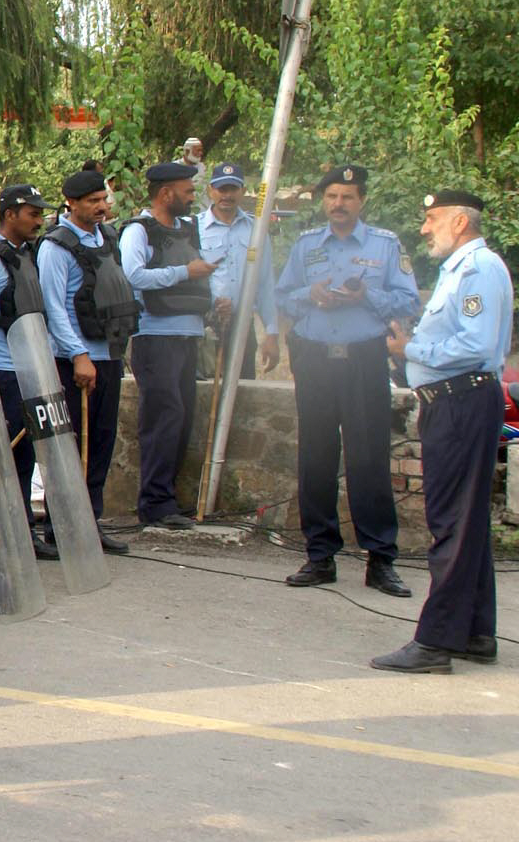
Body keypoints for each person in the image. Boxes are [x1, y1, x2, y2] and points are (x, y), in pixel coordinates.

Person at [372, 191, 513, 672]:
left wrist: (412, 350)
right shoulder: (461, 269)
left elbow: (474, 344)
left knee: (451, 521)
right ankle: (474, 631)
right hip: (456, 400)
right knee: (465, 520)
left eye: (432, 219)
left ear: (459, 221)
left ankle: (435, 642)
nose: (425, 228)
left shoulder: (477, 269)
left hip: (461, 400)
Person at [275, 165, 420, 596]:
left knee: (368, 459)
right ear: (324, 201)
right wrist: (311, 295)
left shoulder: (386, 245)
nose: (338, 204)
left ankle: (380, 559)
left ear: (362, 201)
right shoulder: (305, 246)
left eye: (347, 197)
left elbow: (408, 299)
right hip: (316, 359)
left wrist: (366, 296)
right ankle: (319, 556)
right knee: (315, 458)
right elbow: (283, 295)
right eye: (332, 196)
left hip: (363, 361)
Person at [38, 167, 136, 554]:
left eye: (104, 200)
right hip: (73, 360)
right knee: (70, 447)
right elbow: (55, 307)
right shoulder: (56, 247)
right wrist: (78, 355)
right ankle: (61, 528)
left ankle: (90, 523)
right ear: (72, 203)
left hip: (107, 353)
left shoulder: (108, 238)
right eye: (93, 201)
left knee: (101, 444)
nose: (101, 207)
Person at [0, 183, 60, 564]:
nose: (39, 220)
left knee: (22, 460)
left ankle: (14, 535)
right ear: (9, 214)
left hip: (26, 371)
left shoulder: (24, 256)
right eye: (32, 213)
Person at [120, 162, 221, 528]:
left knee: (181, 418)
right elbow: (132, 275)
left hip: (188, 334)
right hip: (154, 335)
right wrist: (184, 273)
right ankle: (154, 503)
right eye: (188, 191)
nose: (193, 197)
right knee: (164, 417)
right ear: (166, 193)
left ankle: (167, 499)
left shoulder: (188, 229)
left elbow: (200, 276)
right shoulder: (138, 231)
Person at [197, 162, 280, 380]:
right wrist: (210, 303)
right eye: (222, 189)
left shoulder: (257, 230)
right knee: (203, 393)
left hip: (242, 324)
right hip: (204, 324)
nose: (227, 195)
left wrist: (271, 332)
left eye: (233, 189)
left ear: (242, 191)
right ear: (210, 191)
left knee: (241, 391)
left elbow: (265, 284)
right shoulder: (193, 228)